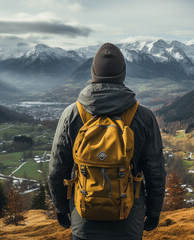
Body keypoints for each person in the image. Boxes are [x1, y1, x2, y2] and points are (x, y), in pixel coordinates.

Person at [49, 43, 166, 240]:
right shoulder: (144, 117)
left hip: (84, 221)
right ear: (123, 74)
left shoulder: (72, 114)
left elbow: (57, 169)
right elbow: (155, 171)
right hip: (129, 221)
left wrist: (61, 208)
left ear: (93, 73)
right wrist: (154, 212)